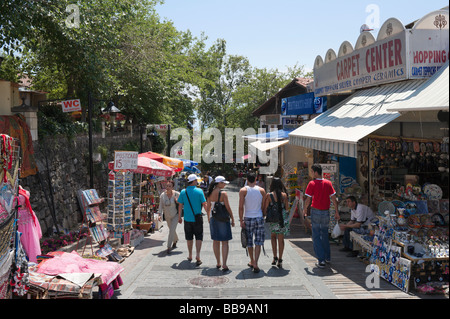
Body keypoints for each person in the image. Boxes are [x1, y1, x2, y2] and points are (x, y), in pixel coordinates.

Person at [303, 164, 340, 269]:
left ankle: (321, 260)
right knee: (324, 234)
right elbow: (334, 198)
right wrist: (336, 212)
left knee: (315, 235)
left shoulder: (312, 183)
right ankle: (327, 257)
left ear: (315, 172)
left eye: (311, 171)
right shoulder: (328, 183)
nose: (311, 173)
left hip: (316, 211)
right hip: (326, 212)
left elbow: (308, 199)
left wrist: (305, 209)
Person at [206, 176, 235, 272]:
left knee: (215, 241)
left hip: (213, 218)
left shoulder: (210, 193)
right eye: (223, 183)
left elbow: (208, 207)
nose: (225, 184)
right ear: (219, 183)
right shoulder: (223, 193)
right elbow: (228, 207)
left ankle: (218, 262)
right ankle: (224, 264)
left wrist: (208, 218)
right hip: (223, 219)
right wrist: (233, 218)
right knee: (225, 242)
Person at [238, 172, 266, 273]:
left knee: (249, 241)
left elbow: (241, 207)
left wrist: (241, 220)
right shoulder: (262, 190)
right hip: (259, 217)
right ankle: (256, 263)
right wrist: (262, 214)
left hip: (248, 217)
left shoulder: (243, 190)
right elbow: (264, 205)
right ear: (256, 179)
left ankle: (252, 260)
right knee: (258, 241)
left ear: (247, 179)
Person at [177, 174, 207, 266]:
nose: (197, 182)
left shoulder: (183, 192)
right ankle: (198, 255)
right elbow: (204, 204)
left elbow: (180, 205)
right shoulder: (199, 191)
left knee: (189, 238)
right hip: (197, 218)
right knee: (199, 237)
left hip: (187, 219)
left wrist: (179, 217)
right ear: (193, 181)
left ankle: (190, 255)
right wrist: (209, 214)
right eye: (196, 180)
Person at [263, 178, 291, 268]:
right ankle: (280, 259)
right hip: (282, 218)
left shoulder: (269, 195)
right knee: (281, 239)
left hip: (273, 219)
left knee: (273, 237)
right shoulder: (284, 195)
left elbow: (265, 208)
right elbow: (287, 209)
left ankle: (274, 257)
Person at [158, 180, 180, 254]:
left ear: (172, 187)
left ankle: (168, 246)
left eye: (169, 186)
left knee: (171, 230)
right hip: (167, 216)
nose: (168, 187)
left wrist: (177, 201)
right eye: (167, 186)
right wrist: (159, 214)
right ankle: (175, 239)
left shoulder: (177, 194)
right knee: (172, 229)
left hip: (175, 215)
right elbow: (160, 205)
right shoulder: (162, 195)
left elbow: (182, 202)